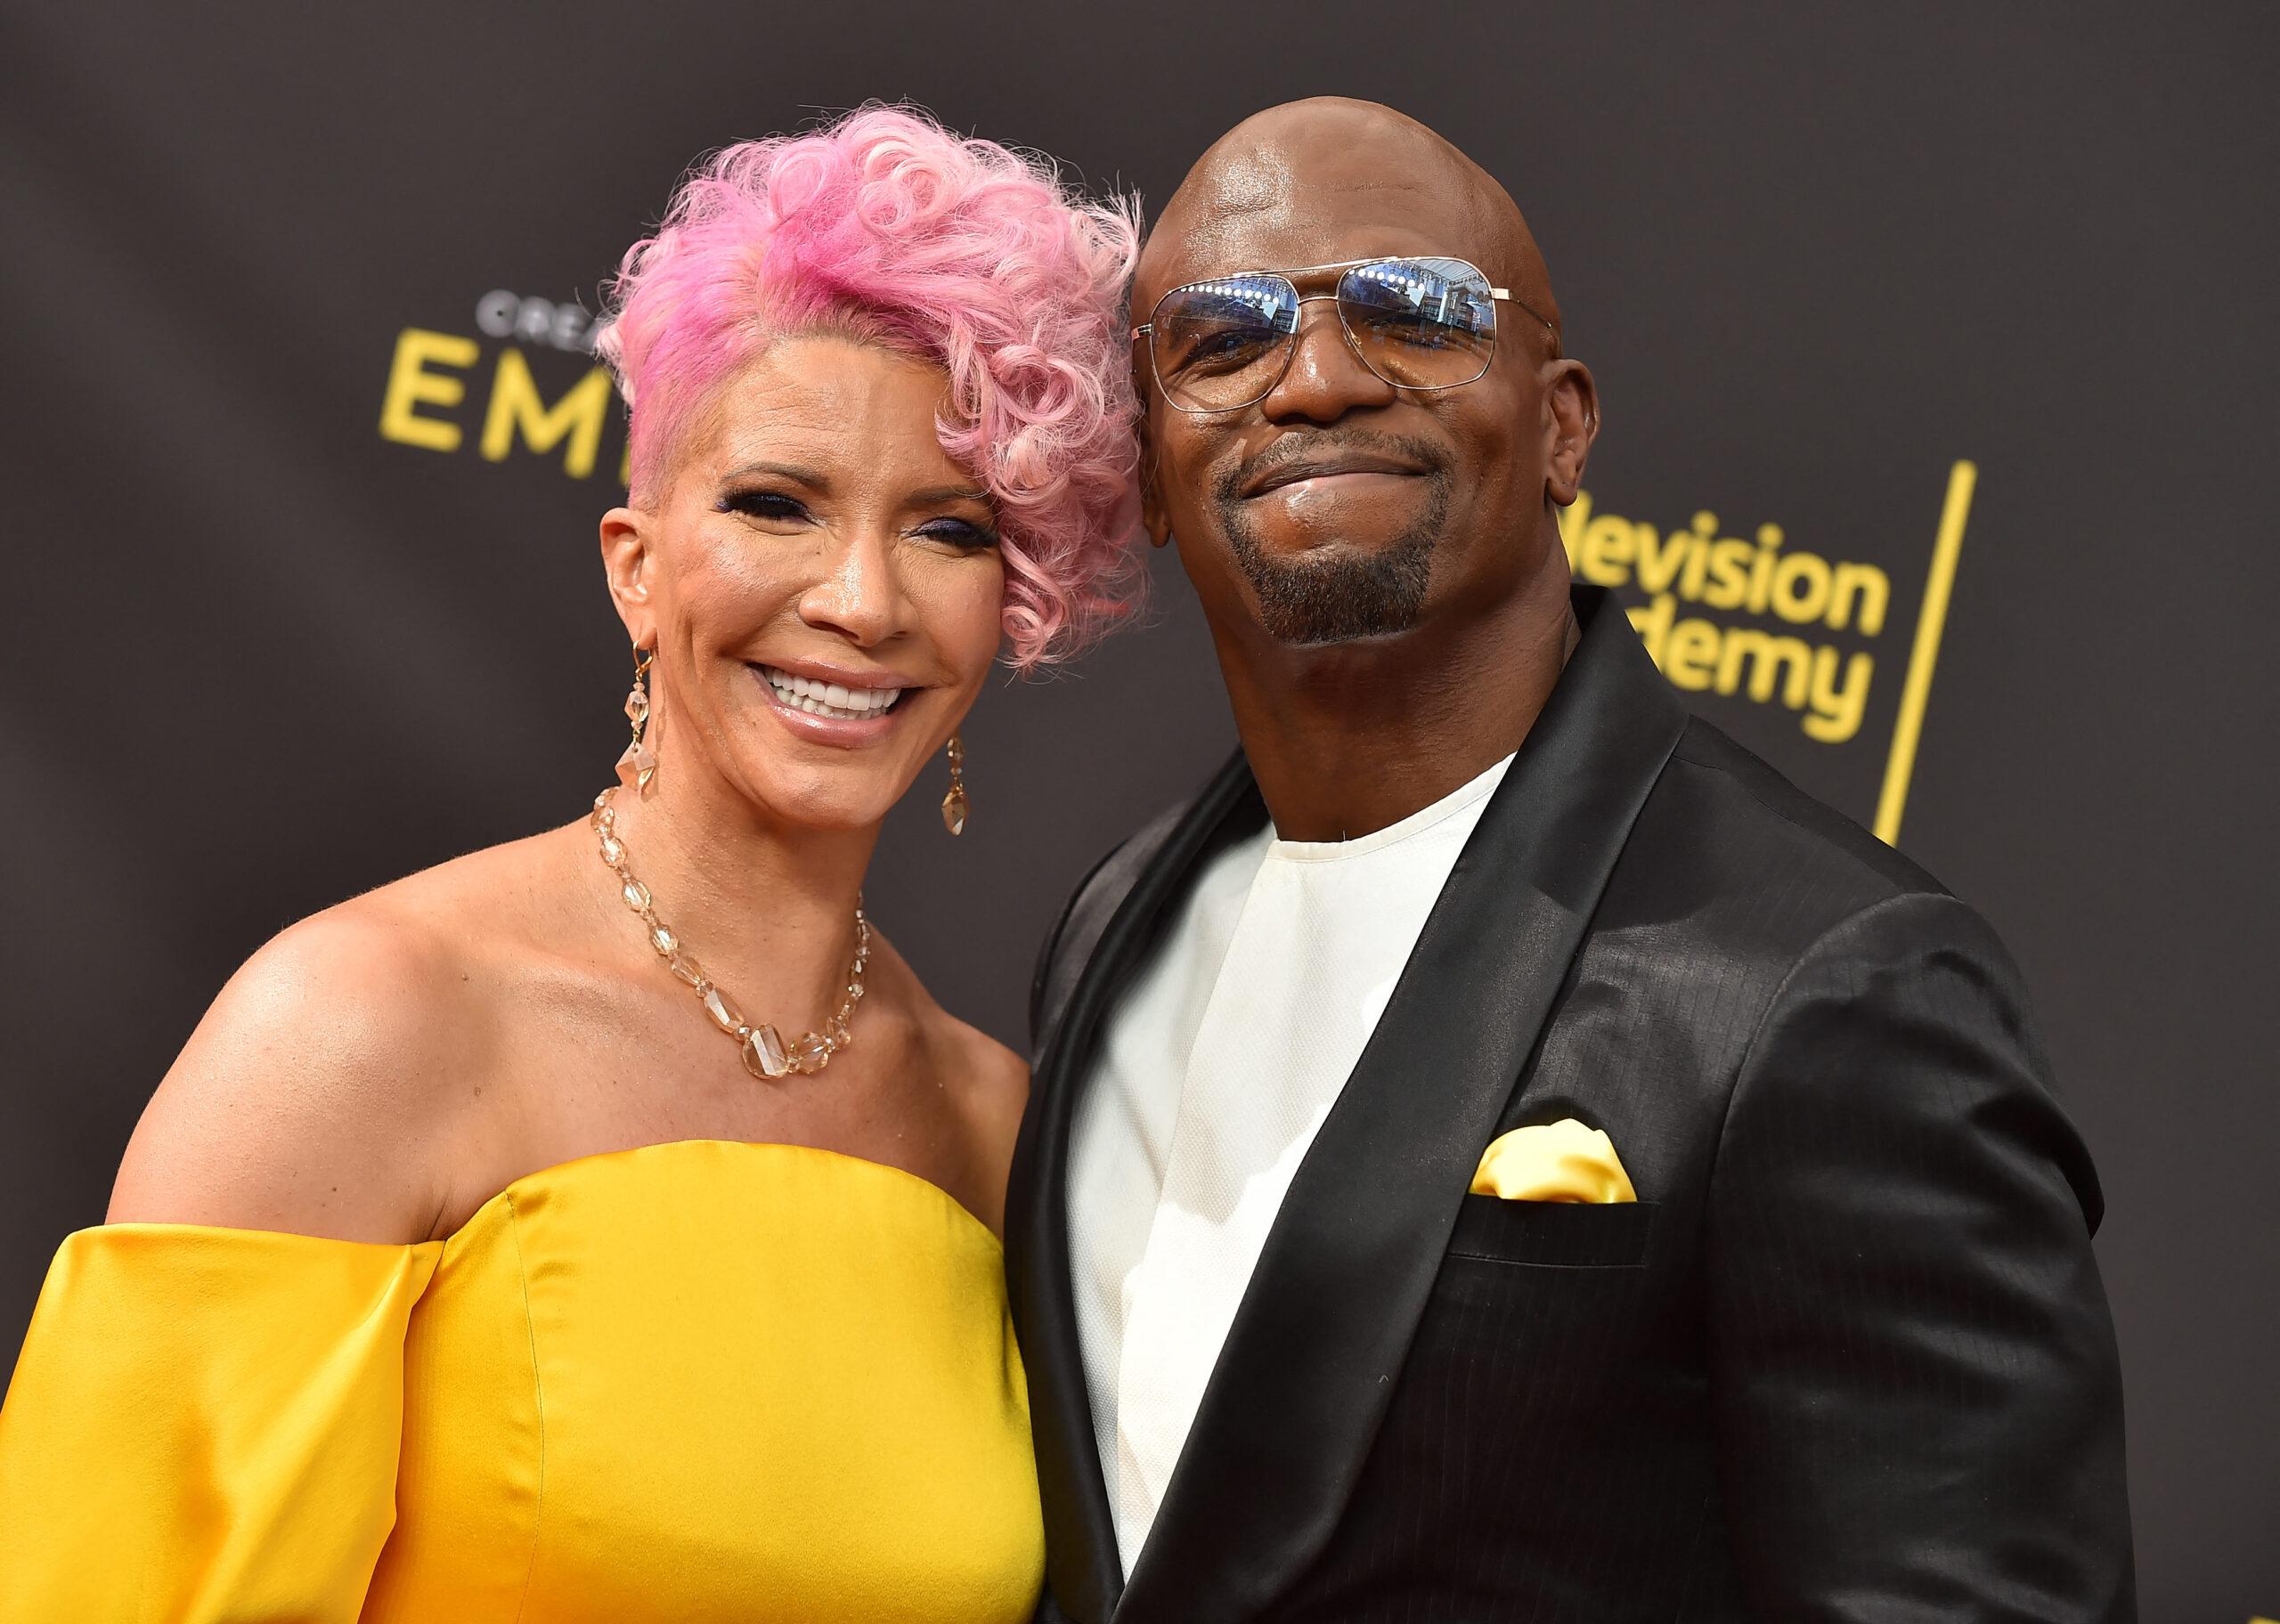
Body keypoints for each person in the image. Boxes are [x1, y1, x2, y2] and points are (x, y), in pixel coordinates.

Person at [0, 106, 1141, 1620]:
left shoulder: (997, 1129)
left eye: (946, 529)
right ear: (636, 566)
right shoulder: (363, 1024)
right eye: (775, 505)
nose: (862, 601)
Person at [1010, 97, 2134, 1622]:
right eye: (1224, 340)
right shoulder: (1111, 935)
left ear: (1563, 424)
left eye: (1416, 314)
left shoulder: (1823, 988)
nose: (1321, 379)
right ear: (1145, 474)